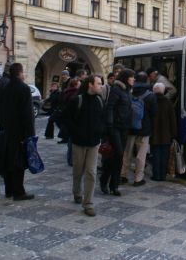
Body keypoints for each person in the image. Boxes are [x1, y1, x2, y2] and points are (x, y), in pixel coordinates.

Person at [63, 75, 105, 217]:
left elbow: (102, 119)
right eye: (99, 83)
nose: (101, 86)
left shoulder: (99, 100)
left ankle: (88, 203)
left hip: (94, 143)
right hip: (79, 143)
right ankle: (77, 192)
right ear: (90, 85)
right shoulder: (77, 100)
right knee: (78, 171)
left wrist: (101, 133)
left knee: (91, 172)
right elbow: (67, 119)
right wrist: (76, 133)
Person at [0, 63, 35, 201]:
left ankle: (8, 190)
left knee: (9, 161)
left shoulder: (5, 87)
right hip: (20, 132)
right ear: (20, 72)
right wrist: (30, 134)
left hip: (8, 130)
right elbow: (28, 114)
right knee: (19, 163)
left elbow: (1, 109)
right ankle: (19, 192)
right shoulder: (24, 88)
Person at [100, 68, 134, 196]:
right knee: (118, 154)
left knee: (117, 157)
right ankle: (104, 180)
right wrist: (109, 126)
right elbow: (110, 108)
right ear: (126, 78)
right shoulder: (116, 90)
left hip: (124, 128)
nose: (134, 79)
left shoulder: (128, 91)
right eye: (132, 77)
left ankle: (114, 185)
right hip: (114, 128)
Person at [121, 72, 157, 186]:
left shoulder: (129, 92)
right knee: (141, 155)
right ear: (146, 80)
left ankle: (123, 175)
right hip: (144, 130)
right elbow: (154, 113)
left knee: (127, 153)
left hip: (130, 129)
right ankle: (138, 178)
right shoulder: (150, 95)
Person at [150, 82, 177, 181]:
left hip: (154, 134)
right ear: (163, 91)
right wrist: (174, 134)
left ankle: (156, 175)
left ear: (153, 90)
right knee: (164, 155)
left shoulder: (151, 101)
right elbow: (172, 120)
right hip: (166, 135)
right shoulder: (168, 102)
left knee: (155, 155)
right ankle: (163, 175)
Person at [0, 62, 11, 176]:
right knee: (5, 145)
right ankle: (4, 169)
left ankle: (0, 168)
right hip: (7, 119)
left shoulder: (1, 81)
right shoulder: (7, 83)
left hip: (1, 118)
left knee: (1, 143)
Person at [61, 79, 81, 165]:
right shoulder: (75, 93)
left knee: (70, 140)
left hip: (66, 118)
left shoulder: (66, 92)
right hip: (72, 119)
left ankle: (70, 159)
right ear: (76, 85)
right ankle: (71, 160)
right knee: (72, 141)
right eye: (79, 84)